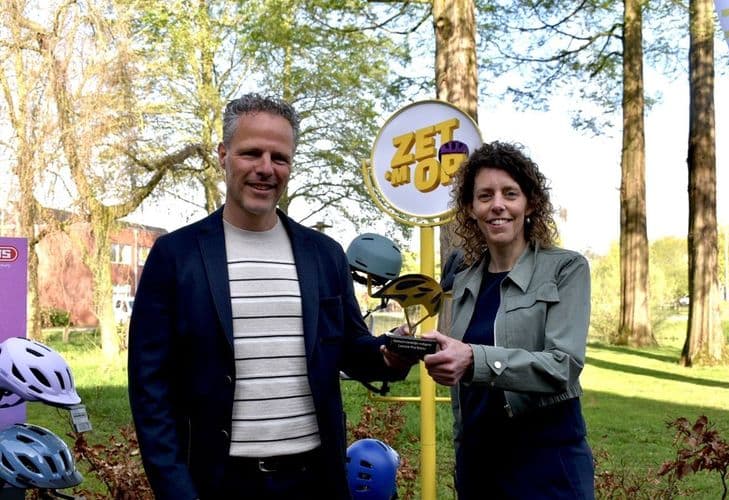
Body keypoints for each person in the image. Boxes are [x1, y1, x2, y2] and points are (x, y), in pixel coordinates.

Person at [127, 93, 416, 500]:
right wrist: (176, 490)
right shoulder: (175, 256)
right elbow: (149, 388)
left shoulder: (325, 255)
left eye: (279, 158)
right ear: (223, 155)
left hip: (315, 482)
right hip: (218, 483)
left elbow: (350, 348)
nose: (266, 168)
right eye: (251, 153)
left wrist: (389, 354)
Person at [422, 141, 595, 499]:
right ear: (471, 209)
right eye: (485, 196)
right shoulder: (464, 280)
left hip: (547, 463)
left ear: (530, 204)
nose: (497, 205)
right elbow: (457, 361)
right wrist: (419, 348)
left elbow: (563, 365)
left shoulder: (565, 268)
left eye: (510, 193)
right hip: (479, 464)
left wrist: (474, 359)